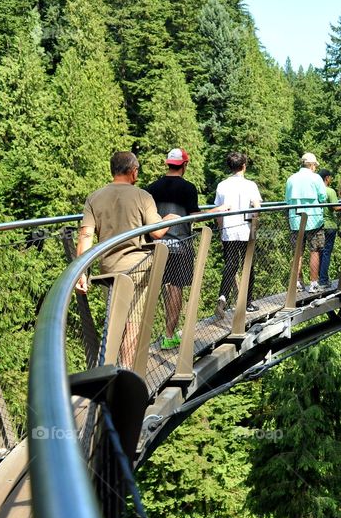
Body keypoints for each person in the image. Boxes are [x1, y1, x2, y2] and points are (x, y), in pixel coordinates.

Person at [76, 151, 177, 367]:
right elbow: (157, 233)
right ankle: (127, 372)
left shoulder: (94, 197)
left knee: (115, 320)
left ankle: (112, 369)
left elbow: (85, 235)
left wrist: (81, 271)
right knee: (133, 321)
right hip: (137, 269)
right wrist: (169, 219)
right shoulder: (142, 196)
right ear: (133, 171)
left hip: (107, 269)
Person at [145, 148, 201, 350]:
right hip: (181, 245)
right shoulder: (188, 188)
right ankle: (169, 335)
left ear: (167, 164)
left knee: (157, 288)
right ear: (184, 165)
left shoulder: (151, 188)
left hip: (156, 245)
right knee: (175, 288)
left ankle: (148, 337)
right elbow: (194, 215)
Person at [214, 152, 262, 317]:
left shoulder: (222, 185)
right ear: (244, 166)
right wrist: (254, 228)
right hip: (247, 230)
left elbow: (219, 213)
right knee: (248, 266)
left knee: (230, 266)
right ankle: (247, 303)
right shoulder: (250, 185)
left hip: (229, 230)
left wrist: (221, 231)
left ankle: (222, 297)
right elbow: (256, 208)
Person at [284, 152, 327, 293]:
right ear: (312, 165)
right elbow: (323, 197)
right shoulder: (316, 178)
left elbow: (287, 200)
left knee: (298, 252)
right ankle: (314, 283)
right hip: (314, 220)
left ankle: (297, 283)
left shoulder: (291, 179)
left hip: (295, 220)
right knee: (315, 250)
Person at [317, 168, 341, 288]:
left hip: (318, 225)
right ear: (327, 178)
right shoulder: (329, 191)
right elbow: (335, 207)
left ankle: (319, 278)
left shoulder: (316, 191)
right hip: (329, 225)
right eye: (330, 178)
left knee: (319, 252)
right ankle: (323, 280)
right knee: (326, 253)